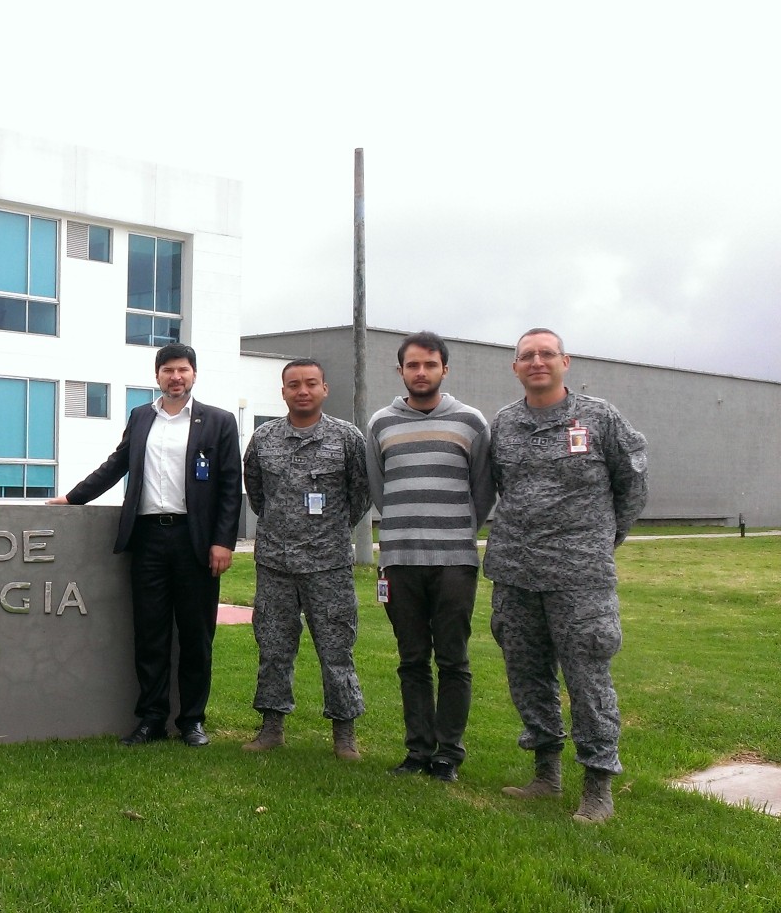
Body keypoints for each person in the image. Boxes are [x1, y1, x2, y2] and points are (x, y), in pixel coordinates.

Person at [486, 328, 647, 823]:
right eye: (527, 356)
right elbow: (499, 487)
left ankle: (598, 785)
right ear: (515, 367)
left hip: (580, 577)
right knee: (527, 675)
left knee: (588, 678)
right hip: (516, 572)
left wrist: (600, 540)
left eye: (546, 354)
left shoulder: (600, 418)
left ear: (565, 362)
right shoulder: (505, 423)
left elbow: (632, 484)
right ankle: (546, 773)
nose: (537, 362)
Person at [48, 343, 242, 747]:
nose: (176, 377)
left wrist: (223, 541)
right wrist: (73, 498)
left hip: (196, 541)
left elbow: (228, 489)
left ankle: (192, 721)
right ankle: (152, 718)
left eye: (183, 370)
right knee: (150, 633)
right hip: (148, 537)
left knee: (196, 634)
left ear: (194, 375)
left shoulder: (219, 422)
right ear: (157, 376)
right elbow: (116, 465)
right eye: (168, 370)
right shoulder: (140, 418)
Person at [365, 332, 495, 782]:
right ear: (400, 370)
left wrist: (456, 529)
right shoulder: (381, 423)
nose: (421, 372)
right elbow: (379, 489)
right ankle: (418, 751)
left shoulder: (471, 422)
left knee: (453, 659)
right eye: (413, 365)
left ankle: (448, 755)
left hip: (454, 560)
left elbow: (482, 490)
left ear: (445, 370)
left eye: (430, 365)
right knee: (412, 659)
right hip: (400, 560)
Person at [241, 359, 371, 759]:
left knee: (336, 650)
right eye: (293, 384)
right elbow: (257, 493)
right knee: (274, 646)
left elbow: (360, 495)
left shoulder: (347, 438)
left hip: (328, 564)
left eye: (311, 383)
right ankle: (271, 727)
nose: (302, 391)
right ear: (283, 392)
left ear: (324, 389)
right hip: (275, 563)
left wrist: (326, 532)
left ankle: (344, 733)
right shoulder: (263, 439)